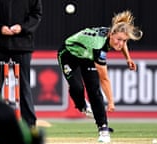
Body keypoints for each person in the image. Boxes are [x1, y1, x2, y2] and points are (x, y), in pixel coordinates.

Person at [57, 10, 142, 143]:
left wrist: (128, 59)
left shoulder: (113, 33)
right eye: (118, 40)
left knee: (94, 91)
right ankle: (83, 107)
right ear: (111, 34)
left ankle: (103, 129)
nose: (120, 44)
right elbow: (104, 78)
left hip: (87, 57)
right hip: (68, 54)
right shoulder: (98, 46)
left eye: (124, 40)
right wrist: (111, 101)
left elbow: (123, 43)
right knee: (77, 88)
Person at [0, 0, 42, 127]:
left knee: (24, 85)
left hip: (22, 45)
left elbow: (36, 15)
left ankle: (29, 124)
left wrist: (22, 28)